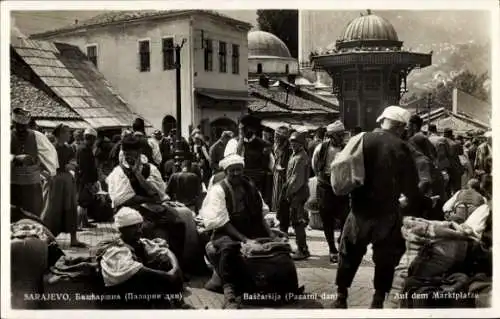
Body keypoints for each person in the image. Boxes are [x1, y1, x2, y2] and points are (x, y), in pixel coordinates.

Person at [333, 106, 428, 309]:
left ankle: (341, 296)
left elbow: (343, 169)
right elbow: (411, 186)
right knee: (386, 257)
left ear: (382, 120)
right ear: (401, 127)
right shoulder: (402, 147)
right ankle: (377, 300)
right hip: (387, 213)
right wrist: (411, 200)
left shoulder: (360, 139)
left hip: (359, 211)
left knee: (349, 253)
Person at [199, 154, 275, 308]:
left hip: (250, 228)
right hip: (225, 231)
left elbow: (260, 214)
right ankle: (230, 294)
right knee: (229, 248)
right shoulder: (218, 190)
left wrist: (271, 233)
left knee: (275, 248)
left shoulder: (250, 186)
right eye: (231, 170)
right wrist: (244, 240)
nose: (236, 174)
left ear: (243, 170)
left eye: (238, 170)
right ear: (225, 172)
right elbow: (223, 222)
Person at [106, 134, 189, 267]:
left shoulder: (149, 168)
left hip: (151, 207)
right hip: (130, 209)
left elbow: (158, 195)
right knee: (144, 227)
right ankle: (148, 264)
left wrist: (138, 175)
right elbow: (121, 200)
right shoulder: (119, 172)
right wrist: (146, 198)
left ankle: (177, 263)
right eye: (125, 153)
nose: (127, 156)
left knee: (178, 223)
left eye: (131, 153)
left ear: (139, 152)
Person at [96, 207, 188, 309]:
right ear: (122, 229)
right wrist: (167, 276)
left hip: (140, 288)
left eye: (139, 226)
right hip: (122, 294)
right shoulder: (115, 250)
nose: (139, 231)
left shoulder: (140, 243)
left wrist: (174, 269)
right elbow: (138, 271)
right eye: (134, 227)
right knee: (157, 281)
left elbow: (167, 251)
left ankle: (178, 302)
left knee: (165, 263)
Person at [311, 120, 349, 263]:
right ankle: (332, 249)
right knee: (327, 219)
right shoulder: (321, 148)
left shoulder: (347, 148)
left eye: (342, 135)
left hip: (342, 187)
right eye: (338, 135)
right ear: (331, 136)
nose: (341, 138)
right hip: (325, 187)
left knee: (345, 217)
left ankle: (341, 239)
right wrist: (323, 179)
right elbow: (315, 166)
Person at [42, 124, 85, 247]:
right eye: (67, 132)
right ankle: (48, 238)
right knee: (51, 210)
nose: (69, 135)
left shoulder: (69, 148)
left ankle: (73, 239)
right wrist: (47, 175)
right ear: (60, 134)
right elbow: (42, 163)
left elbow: (73, 160)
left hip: (67, 180)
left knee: (71, 207)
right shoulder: (50, 148)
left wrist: (72, 164)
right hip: (54, 181)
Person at [11, 108, 58, 217]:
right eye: (18, 126)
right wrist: (15, 158)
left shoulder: (37, 136)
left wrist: (49, 171)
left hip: (32, 185)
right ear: (13, 123)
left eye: (24, 126)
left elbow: (50, 154)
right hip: (12, 184)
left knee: (33, 215)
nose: (21, 130)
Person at [224, 115, 274, 204]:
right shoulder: (233, 143)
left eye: (244, 128)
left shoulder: (264, 144)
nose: (242, 131)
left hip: (257, 183)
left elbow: (271, 166)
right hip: (238, 181)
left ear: (253, 129)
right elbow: (230, 162)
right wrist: (241, 140)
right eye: (241, 128)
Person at [282, 131, 311, 260]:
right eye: (292, 142)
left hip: (298, 192)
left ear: (301, 144)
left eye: (296, 142)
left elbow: (296, 179)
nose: (293, 144)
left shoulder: (300, 157)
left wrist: (288, 193)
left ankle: (302, 249)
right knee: (297, 220)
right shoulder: (295, 155)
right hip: (296, 191)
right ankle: (302, 247)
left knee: (297, 221)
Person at [272, 126, 292, 218]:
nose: (275, 138)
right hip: (277, 170)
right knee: (277, 190)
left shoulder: (288, 146)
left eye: (277, 136)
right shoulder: (276, 145)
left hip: (286, 171)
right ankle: (278, 211)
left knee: (285, 192)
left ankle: (284, 213)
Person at [443, 128, 464, 194]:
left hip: (445, 167)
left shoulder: (441, 141)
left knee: (447, 188)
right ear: (451, 134)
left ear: (444, 134)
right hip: (456, 167)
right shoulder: (456, 143)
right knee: (457, 189)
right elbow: (461, 153)